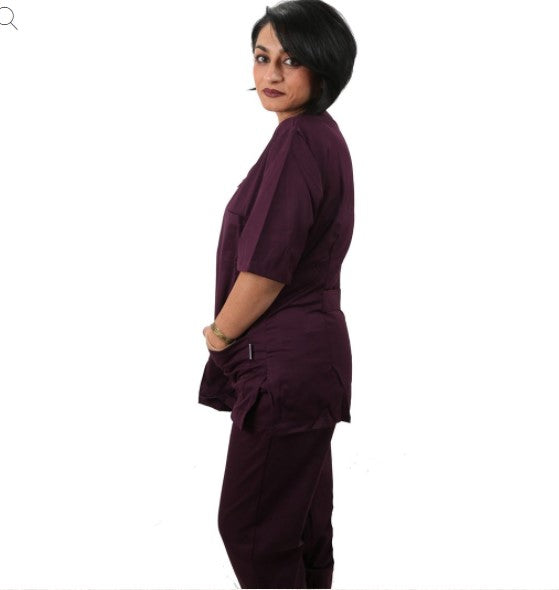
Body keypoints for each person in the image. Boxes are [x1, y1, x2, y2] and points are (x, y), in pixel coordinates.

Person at [198, 0, 357, 587]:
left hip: (284, 367)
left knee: (253, 530)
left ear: (323, 66)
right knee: (300, 527)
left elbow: (266, 269)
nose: (270, 73)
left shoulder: (300, 142)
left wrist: (220, 334)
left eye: (290, 61)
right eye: (262, 57)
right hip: (309, 363)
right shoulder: (319, 137)